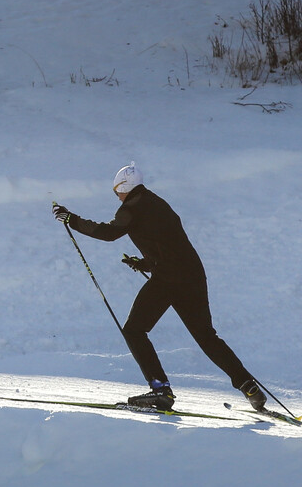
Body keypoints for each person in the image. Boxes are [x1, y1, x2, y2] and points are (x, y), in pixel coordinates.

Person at [53, 163, 266, 412]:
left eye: (116, 191)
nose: (117, 196)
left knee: (134, 330)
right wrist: (144, 262)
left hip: (168, 279)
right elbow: (169, 242)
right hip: (192, 275)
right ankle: (249, 386)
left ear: (124, 188)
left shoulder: (130, 209)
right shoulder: (158, 202)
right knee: (207, 336)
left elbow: (108, 233)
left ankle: (160, 389)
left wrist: (72, 219)